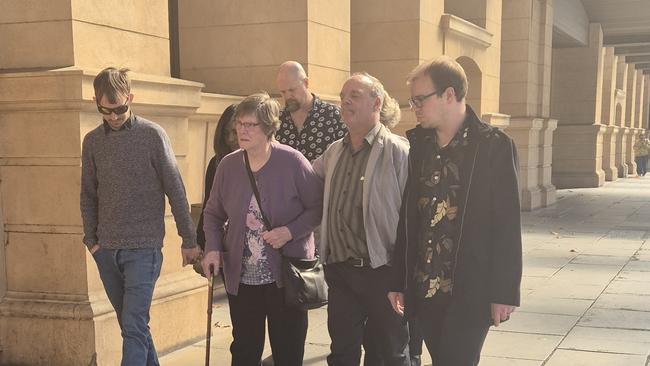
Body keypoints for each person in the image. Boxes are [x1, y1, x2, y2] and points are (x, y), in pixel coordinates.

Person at [388, 56, 523, 366]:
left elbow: (507, 223)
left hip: (470, 289)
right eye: (412, 100)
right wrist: (399, 280)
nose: (414, 107)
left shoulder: (494, 145)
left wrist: (504, 291)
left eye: (420, 99)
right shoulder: (420, 145)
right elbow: (409, 218)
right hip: (424, 287)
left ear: (449, 95)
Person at [80, 67, 201, 366]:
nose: (113, 116)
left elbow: (176, 189)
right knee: (133, 327)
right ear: (96, 102)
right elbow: (88, 194)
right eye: (105, 110)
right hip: (106, 250)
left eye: (120, 108)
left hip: (144, 250)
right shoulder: (93, 142)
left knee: (133, 326)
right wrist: (92, 242)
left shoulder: (153, 135)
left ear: (130, 98)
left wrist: (189, 239)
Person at [201, 92, 323, 366]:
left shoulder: (293, 162)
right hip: (242, 278)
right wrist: (211, 249)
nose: (241, 131)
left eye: (250, 125)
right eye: (240, 124)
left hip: (287, 275)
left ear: (269, 128)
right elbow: (212, 213)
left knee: (288, 350)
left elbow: (317, 208)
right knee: (244, 349)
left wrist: (289, 232)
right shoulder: (228, 165)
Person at [313, 73, 410, 366]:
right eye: (344, 95)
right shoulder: (334, 151)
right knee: (342, 352)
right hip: (340, 271)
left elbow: (412, 218)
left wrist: (405, 274)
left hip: (382, 271)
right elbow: (304, 183)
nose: (345, 101)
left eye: (354, 95)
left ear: (376, 103)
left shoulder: (398, 151)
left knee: (388, 353)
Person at [361, 89, 425, 366]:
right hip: (385, 259)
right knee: (386, 336)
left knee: (396, 337)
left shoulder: (401, 151)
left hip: (396, 258)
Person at [276, 61, 346, 161]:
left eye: (292, 90)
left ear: (306, 83)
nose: (287, 96)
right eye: (283, 92)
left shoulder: (334, 116)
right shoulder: (276, 120)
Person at [196, 104, 238, 251]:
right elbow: (209, 206)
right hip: (221, 242)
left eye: (235, 132)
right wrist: (201, 243)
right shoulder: (217, 163)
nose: (231, 139)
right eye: (226, 133)